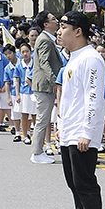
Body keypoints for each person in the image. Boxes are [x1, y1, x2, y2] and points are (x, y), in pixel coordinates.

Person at [52, 11, 105, 209]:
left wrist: (87, 132)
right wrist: (60, 125)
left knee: (85, 184)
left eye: (64, 26)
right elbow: (68, 99)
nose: (59, 30)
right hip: (69, 130)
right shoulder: (72, 59)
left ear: (78, 31)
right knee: (73, 183)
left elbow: (94, 98)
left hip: (82, 133)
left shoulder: (91, 59)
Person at [30, 12, 63, 164]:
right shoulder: (44, 40)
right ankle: (37, 153)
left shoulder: (48, 39)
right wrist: (55, 81)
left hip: (45, 85)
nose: (57, 21)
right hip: (44, 85)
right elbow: (44, 63)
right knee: (43, 119)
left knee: (44, 119)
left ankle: (38, 151)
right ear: (46, 24)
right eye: (54, 19)